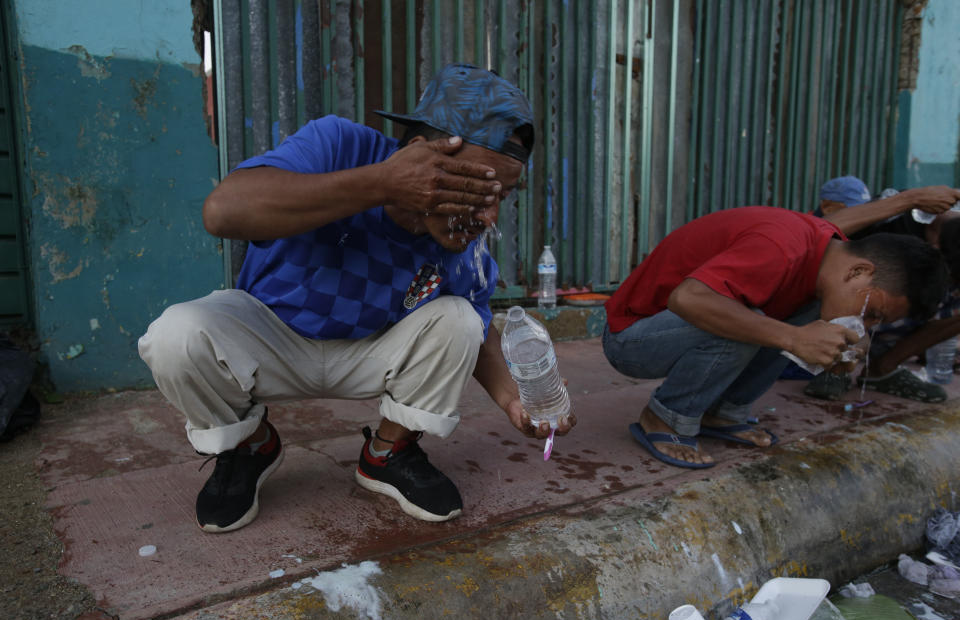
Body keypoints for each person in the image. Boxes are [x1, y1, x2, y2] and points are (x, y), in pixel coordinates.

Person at [138, 63, 576, 532]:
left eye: (500, 195)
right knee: (176, 336)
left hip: (369, 350)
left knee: (461, 319)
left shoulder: (464, 241)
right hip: (273, 338)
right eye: (473, 188)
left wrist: (515, 401)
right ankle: (249, 446)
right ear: (420, 154)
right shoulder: (340, 144)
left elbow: (479, 327)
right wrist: (383, 183)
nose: (487, 214)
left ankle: (389, 452)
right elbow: (224, 211)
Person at [602, 205, 948, 469]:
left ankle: (721, 412)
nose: (865, 324)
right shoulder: (781, 245)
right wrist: (796, 340)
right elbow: (688, 299)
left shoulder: (830, 256)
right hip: (632, 338)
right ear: (859, 271)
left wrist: (839, 346)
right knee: (751, 321)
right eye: (872, 313)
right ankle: (665, 416)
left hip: (679, 330)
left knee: (806, 319)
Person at [803, 176, 960, 402]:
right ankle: (834, 366)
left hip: (890, 319)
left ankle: (882, 369)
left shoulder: (951, 235)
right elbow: (824, 240)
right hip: (842, 302)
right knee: (858, 291)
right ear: (938, 250)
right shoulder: (892, 219)